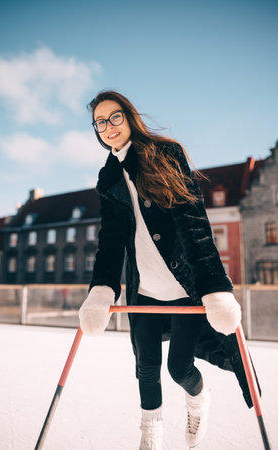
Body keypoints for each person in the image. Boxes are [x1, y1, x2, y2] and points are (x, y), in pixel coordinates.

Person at [79, 90, 251, 450]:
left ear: (129, 116)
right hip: (144, 291)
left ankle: (198, 400)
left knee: (178, 369)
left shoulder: (164, 154)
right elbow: (110, 240)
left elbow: (194, 221)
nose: (108, 127)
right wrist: (101, 289)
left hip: (182, 289)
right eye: (100, 122)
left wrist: (214, 287)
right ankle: (150, 435)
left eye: (114, 117)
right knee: (145, 368)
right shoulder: (108, 177)